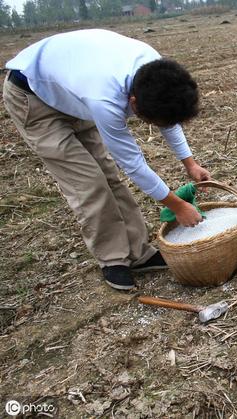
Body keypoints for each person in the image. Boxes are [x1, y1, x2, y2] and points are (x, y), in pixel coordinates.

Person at [3, 29, 212, 290]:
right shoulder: (104, 99)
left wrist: (190, 163)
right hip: (31, 97)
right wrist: (178, 205)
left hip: (71, 91)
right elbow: (133, 164)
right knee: (89, 183)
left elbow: (168, 121)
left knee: (109, 176)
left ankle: (139, 254)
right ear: (133, 103)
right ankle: (113, 260)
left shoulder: (158, 72)